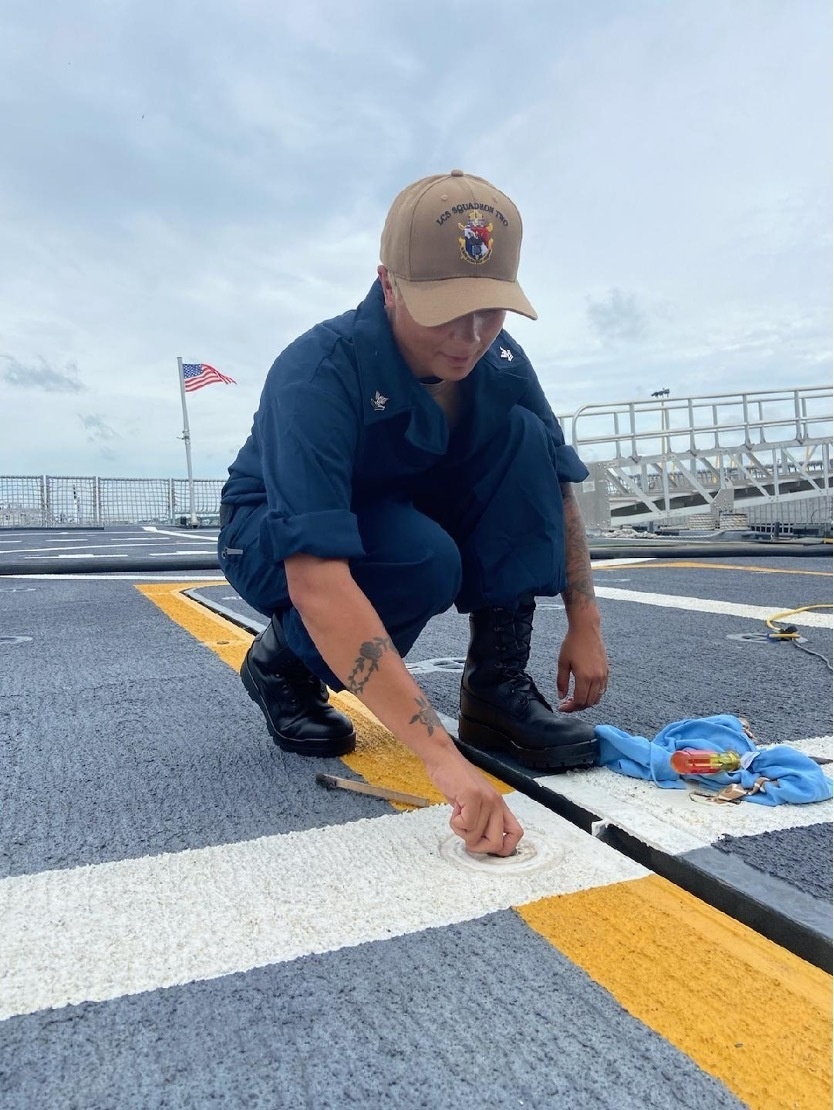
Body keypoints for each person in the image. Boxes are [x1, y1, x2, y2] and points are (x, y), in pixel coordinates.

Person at [217, 169, 609, 858]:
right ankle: (282, 664)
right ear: (388, 282)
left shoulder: (504, 362)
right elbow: (317, 576)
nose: (470, 336)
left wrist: (586, 622)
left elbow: (557, 484)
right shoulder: (319, 370)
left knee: (525, 440)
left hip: (395, 508)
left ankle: (495, 689)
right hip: (273, 534)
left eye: (491, 311)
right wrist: (442, 761)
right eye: (445, 308)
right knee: (424, 560)